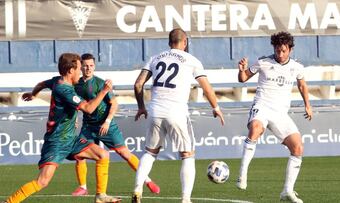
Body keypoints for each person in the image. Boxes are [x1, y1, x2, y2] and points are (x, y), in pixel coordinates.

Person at [22, 53, 160, 196]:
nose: (87, 68)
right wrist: (74, 117)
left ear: (94, 67)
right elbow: (79, 106)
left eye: (91, 66)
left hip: (105, 123)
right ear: (77, 69)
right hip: (87, 125)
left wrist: (107, 121)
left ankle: (147, 180)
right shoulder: (74, 85)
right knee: (80, 156)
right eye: (84, 66)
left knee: (123, 153)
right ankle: (83, 187)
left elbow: (114, 104)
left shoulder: (99, 83)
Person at [2, 53, 120, 203]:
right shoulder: (65, 90)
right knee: (42, 182)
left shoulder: (56, 81)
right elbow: (89, 108)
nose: (81, 71)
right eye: (79, 68)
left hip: (70, 139)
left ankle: (100, 196)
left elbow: (42, 84)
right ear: (71, 70)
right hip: (57, 142)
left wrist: (33, 94)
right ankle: (10, 202)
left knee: (103, 155)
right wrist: (103, 91)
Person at [131, 28, 225, 203]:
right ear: (185, 42)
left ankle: (137, 190)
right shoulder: (191, 60)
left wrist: (141, 107)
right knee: (187, 155)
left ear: (169, 42)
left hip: (155, 110)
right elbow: (206, 87)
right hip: (176, 111)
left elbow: (138, 85)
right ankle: (185, 199)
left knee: (150, 153)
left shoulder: (155, 58)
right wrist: (216, 107)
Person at [236, 31, 313, 203]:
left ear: (290, 50)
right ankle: (242, 174)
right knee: (255, 129)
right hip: (262, 107)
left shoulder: (296, 67)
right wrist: (241, 70)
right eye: (277, 50)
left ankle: (287, 191)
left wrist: (308, 105)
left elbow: (302, 84)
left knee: (298, 148)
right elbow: (243, 78)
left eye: (283, 50)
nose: (280, 54)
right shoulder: (263, 62)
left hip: (280, 114)